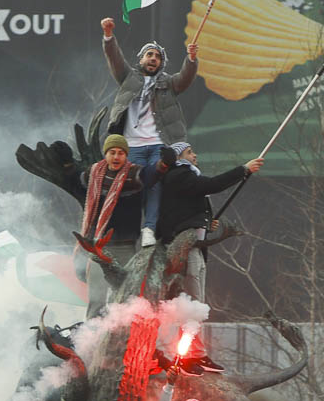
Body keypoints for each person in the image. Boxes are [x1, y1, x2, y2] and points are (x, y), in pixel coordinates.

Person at [99, 18, 199, 247]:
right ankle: (124, 232)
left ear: (161, 63)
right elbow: (115, 58)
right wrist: (108, 35)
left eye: (158, 57)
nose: (153, 59)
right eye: (149, 55)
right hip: (130, 147)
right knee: (131, 189)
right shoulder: (128, 78)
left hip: (158, 144)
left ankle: (149, 229)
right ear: (141, 59)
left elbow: (185, 77)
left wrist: (191, 59)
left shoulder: (168, 84)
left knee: (155, 186)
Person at [155, 142, 262, 295]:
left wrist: (204, 224)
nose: (194, 155)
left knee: (197, 297)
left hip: (195, 246)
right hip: (185, 248)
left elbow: (185, 209)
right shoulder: (179, 174)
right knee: (192, 297)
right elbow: (213, 184)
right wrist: (243, 170)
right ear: (178, 158)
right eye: (189, 152)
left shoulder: (185, 176)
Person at [72, 134, 146, 269]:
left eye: (121, 153)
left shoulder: (135, 174)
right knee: (97, 287)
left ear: (126, 155)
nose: (116, 157)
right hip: (98, 245)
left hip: (125, 245)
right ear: (106, 154)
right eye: (112, 153)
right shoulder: (93, 173)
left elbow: (153, 176)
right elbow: (76, 184)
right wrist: (67, 165)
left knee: (124, 287)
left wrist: (162, 166)